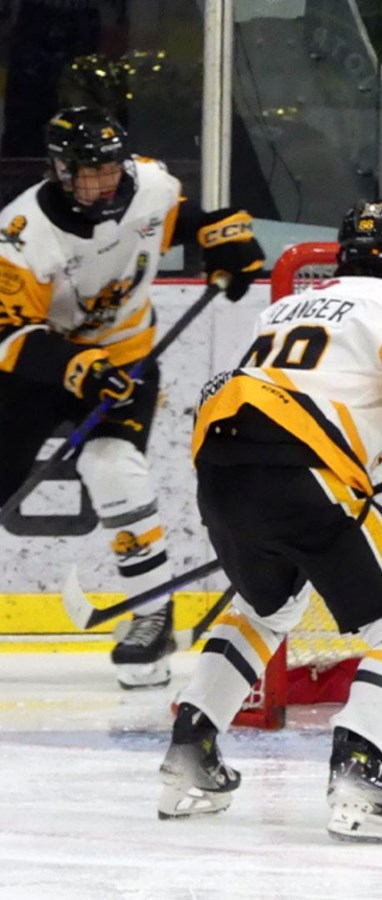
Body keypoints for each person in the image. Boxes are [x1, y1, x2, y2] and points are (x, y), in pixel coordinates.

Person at [156, 199, 382, 842]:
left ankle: (189, 756)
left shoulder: (289, 306)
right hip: (303, 462)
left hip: (221, 462)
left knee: (266, 609)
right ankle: (361, 771)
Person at [0, 105, 264, 688]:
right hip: (36, 371)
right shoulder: (21, 234)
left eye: (110, 169)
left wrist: (223, 238)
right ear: (60, 172)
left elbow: (186, 219)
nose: (104, 182)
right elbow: (8, 334)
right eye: (89, 173)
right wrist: (76, 367)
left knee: (111, 465)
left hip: (126, 359)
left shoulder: (148, 185)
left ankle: (152, 614)